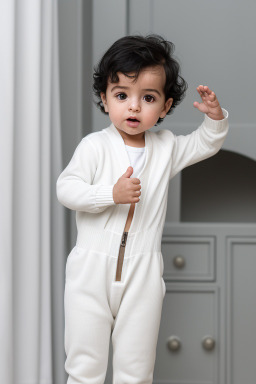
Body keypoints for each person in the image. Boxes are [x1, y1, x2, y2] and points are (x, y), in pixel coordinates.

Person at [56, 34, 229, 384]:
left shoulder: (166, 148)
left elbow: (204, 144)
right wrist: (110, 194)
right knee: (84, 364)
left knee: (136, 369)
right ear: (105, 99)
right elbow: (67, 189)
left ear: (164, 107)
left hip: (144, 272)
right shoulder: (94, 147)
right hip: (90, 269)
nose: (133, 107)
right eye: (121, 95)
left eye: (148, 98)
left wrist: (215, 118)